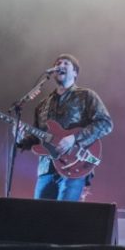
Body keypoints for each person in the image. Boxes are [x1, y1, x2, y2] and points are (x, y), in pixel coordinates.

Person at [16, 53, 114, 201]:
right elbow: (37, 138)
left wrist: (74, 138)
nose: (60, 65)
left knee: (64, 212)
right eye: (57, 63)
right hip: (46, 169)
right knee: (37, 213)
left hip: (74, 165)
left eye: (66, 63)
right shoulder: (42, 105)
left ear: (75, 73)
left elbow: (105, 123)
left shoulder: (86, 96)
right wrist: (20, 139)